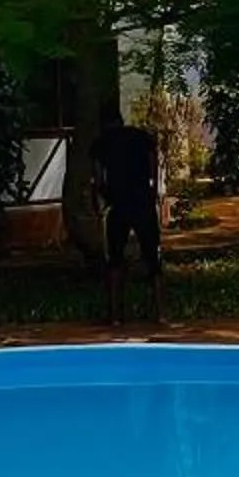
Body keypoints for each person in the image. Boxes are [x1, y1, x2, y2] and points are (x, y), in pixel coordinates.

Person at [93, 115, 165, 326]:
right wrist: (152, 193)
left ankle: (115, 315)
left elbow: (98, 178)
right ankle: (161, 313)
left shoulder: (102, 143)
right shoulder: (141, 137)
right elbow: (154, 168)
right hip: (143, 202)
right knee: (153, 257)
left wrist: (100, 201)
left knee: (115, 259)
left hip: (119, 205)